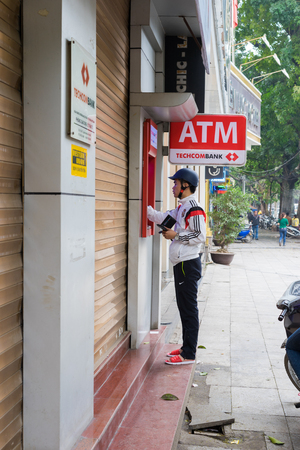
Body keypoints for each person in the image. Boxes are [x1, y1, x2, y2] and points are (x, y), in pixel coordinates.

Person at [147, 168, 206, 366]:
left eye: (176, 183)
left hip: (188, 265)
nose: (173, 186)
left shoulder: (194, 208)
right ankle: (185, 347)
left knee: (189, 309)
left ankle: (188, 354)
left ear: (185, 186)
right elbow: (163, 218)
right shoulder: (182, 208)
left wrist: (176, 236)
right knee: (183, 307)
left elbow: (200, 236)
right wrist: (143, 208)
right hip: (182, 264)